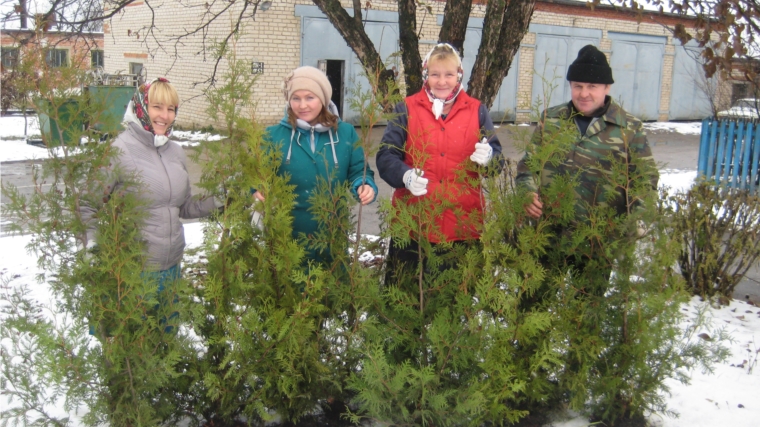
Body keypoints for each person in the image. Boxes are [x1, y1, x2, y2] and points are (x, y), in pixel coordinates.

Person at [80, 78, 221, 332]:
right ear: (141, 107)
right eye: (157, 107)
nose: (164, 116)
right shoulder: (118, 150)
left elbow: (183, 206)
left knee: (165, 350)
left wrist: (219, 199)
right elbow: (88, 204)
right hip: (132, 272)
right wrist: (92, 243)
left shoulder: (175, 151)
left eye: (171, 109)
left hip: (171, 270)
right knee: (134, 356)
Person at [515, 44, 659, 290]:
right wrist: (527, 192)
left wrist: (637, 218)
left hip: (597, 242)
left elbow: (645, 181)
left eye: (592, 86)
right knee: (533, 309)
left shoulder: (628, 128)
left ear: (606, 87)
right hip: (548, 237)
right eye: (578, 86)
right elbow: (529, 166)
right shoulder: (551, 119)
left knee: (585, 316)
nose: (584, 93)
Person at [375, 43, 502, 277]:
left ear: (458, 76)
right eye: (435, 74)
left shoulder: (477, 111)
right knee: (406, 299)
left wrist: (490, 158)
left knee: (452, 302)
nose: (442, 82)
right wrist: (405, 175)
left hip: (462, 225)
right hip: (413, 225)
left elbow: (497, 162)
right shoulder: (407, 108)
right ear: (426, 75)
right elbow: (386, 155)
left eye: (449, 74)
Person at [254, 66, 378, 262]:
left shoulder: (345, 133)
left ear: (323, 99)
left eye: (309, 97)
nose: (302, 105)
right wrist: (257, 189)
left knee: (333, 288)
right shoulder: (273, 135)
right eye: (296, 98)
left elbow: (358, 170)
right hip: (287, 234)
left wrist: (363, 185)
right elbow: (257, 173)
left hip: (332, 232)